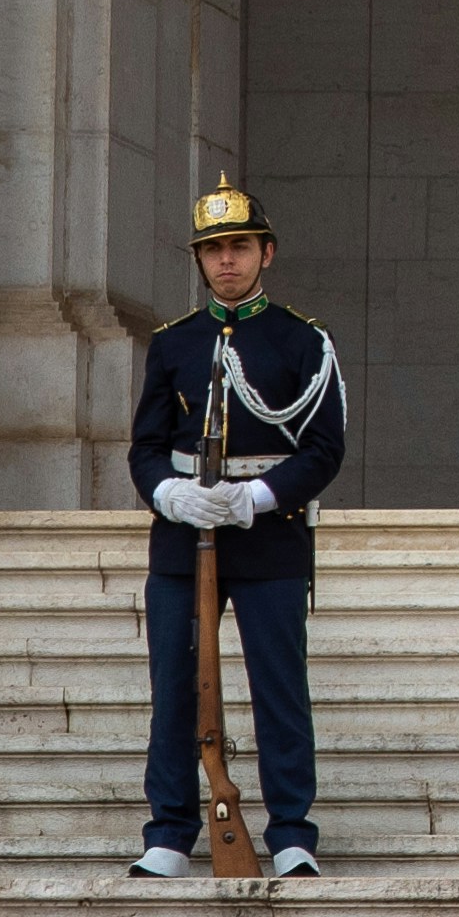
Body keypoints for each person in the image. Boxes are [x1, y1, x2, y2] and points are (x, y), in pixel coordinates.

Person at [129, 180, 347, 880]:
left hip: (269, 533)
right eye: (214, 249)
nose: (226, 261)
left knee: (278, 684)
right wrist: (169, 492)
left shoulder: (300, 338)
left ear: (267, 252)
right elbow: (145, 444)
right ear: (200, 259)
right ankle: (169, 828)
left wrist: (258, 494)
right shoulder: (174, 344)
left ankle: (290, 831)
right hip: (183, 538)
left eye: (239, 247)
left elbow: (323, 446)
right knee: (177, 683)